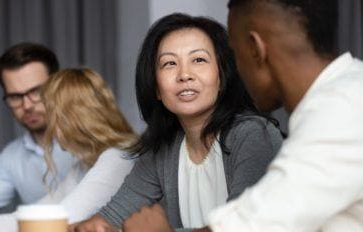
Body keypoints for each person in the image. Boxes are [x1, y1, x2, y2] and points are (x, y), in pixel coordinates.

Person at [121, 1, 363, 231]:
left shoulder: (339, 111)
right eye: (169, 64)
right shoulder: (342, 96)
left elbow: (255, 225)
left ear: (255, 49)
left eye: (234, 54)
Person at [72, 13, 283, 232]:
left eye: (199, 60)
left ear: (222, 75)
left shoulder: (254, 134)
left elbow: (245, 226)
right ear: (156, 88)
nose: (184, 75)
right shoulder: (164, 148)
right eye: (169, 63)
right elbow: (112, 216)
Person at [0, 68, 137, 232]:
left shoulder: (118, 159)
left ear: (74, 119)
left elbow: (56, 221)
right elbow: (42, 212)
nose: (51, 128)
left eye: (53, 116)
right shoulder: (83, 166)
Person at [0, 42, 76, 217]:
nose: (27, 105)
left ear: (57, 86)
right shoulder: (11, 157)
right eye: (15, 96)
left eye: (36, 91)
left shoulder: (90, 139)